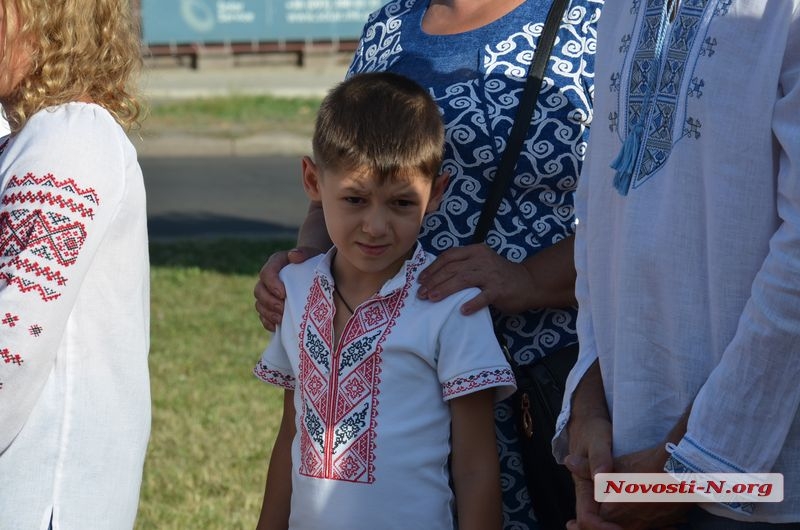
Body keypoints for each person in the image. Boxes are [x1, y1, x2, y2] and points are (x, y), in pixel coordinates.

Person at [254, 1, 603, 526]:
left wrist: (529, 279)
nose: (375, 222)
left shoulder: (595, 23)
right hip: (393, 370)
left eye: (399, 203)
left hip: (552, 384)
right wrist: (303, 272)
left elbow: (648, 211)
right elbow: (340, 166)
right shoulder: (391, 21)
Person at [552, 1, 800, 528]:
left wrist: (687, 465)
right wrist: (589, 404)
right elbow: (600, 217)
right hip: (622, 470)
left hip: (756, 485)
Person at [253, 71, 516, 530]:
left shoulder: (453, 305)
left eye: (400, 204)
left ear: (435, 194)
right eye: (355, 199)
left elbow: (475, 466)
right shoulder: (294, 291)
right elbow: (289, 436)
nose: (376, 226)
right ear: (313, 181)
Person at [0, 1, 150, 529]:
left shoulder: (67, 139)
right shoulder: (39, 139)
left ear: (49, 24)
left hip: (40, 496)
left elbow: (11, 347)